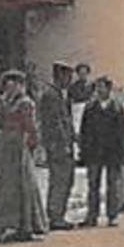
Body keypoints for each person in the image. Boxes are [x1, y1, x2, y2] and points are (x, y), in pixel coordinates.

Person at [0, 69, 47, 241]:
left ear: (22, 86)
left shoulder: (25, 103)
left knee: (22, 184)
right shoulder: (3, 102)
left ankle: (26, 225)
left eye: (15, 85)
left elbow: (31, 127)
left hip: (19, 146)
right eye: (8, 85)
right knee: (4, 185)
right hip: (4, 146)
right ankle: (5, 224)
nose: (12, 88)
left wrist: (33, 145)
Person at [78, 76, 124, 228]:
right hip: (94, 151)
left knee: (112, 185)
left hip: (112, 152)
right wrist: (83, 150)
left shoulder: (117, 108)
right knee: (93, 184)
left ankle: (112, 215)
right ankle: (92, 215)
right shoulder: (90, 108)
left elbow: (122, 132)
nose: (99, 90)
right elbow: (84, 131)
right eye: (97, 87)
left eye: (102, 87)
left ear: (109, 89)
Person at [36, 62, 77, 231]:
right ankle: (55, 215)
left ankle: (58, 213)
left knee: (66, 179)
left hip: (63, 143)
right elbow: (54, 123)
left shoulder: (58, 94)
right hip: (58, 145)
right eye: (68, 76)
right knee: (60, 180)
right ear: (60, 76)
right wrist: (64, 143)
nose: (69, 80)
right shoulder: (51, 95)